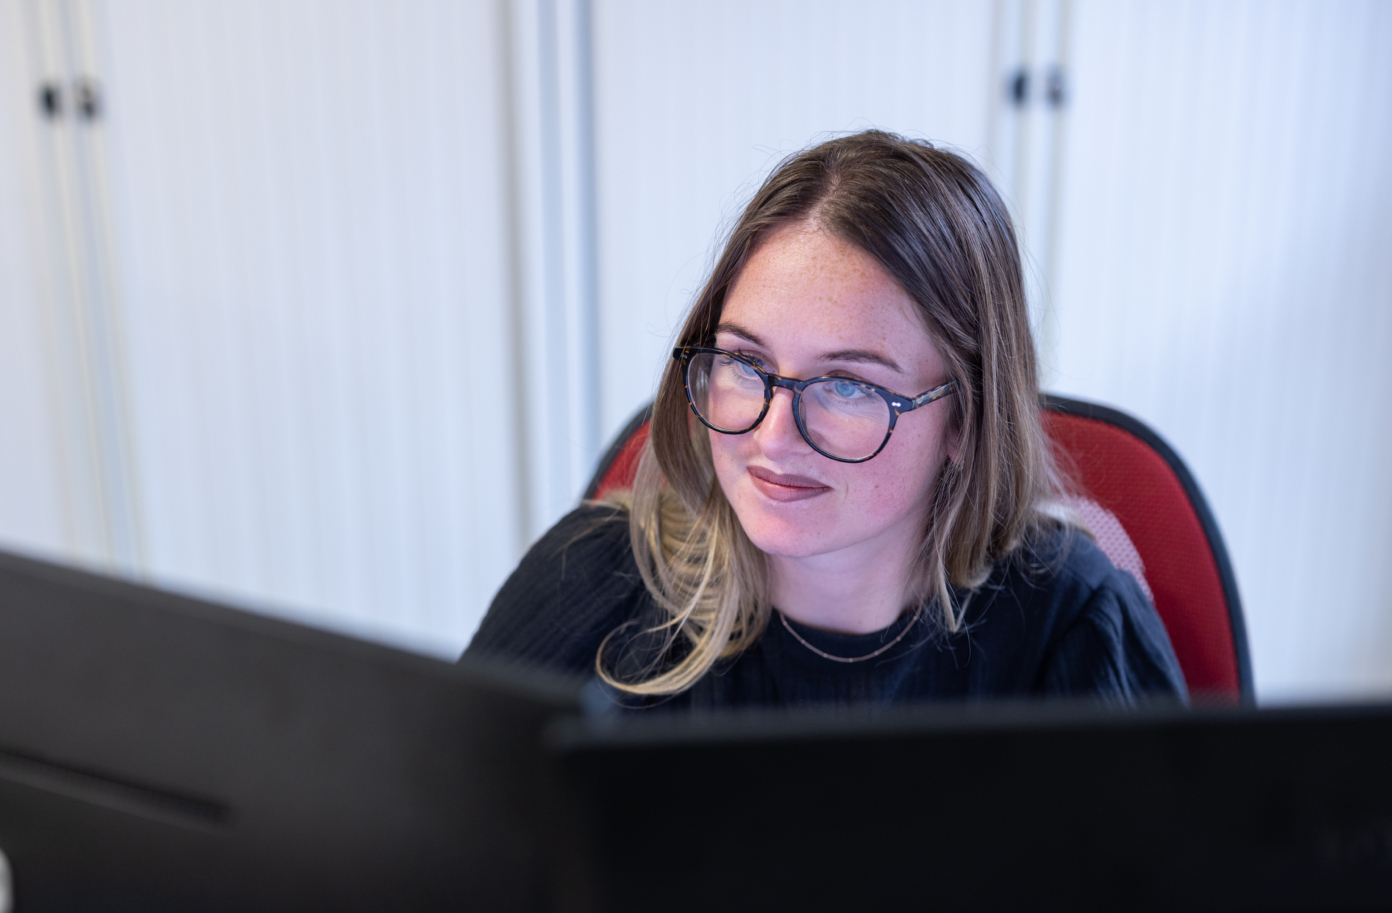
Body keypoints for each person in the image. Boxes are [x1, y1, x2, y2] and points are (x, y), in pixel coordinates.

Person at [462, 130, 1185, 709]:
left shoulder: (1072, 623)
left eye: (845, 385)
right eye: (745, 363)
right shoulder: (594, 579)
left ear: (965, 421)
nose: (772, 436)